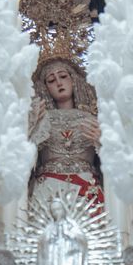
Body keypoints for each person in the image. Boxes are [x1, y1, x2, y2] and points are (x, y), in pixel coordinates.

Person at [29, 56, 105, 209]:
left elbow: (109, 159)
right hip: (48, 188)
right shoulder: (41, 119)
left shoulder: (92, 118)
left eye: (63, 76)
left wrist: (101, 141)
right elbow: (25, 157)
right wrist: (30, 126)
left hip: (86, 187)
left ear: (73, 80)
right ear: (45, 88)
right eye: (51, 80)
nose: (59, 82)